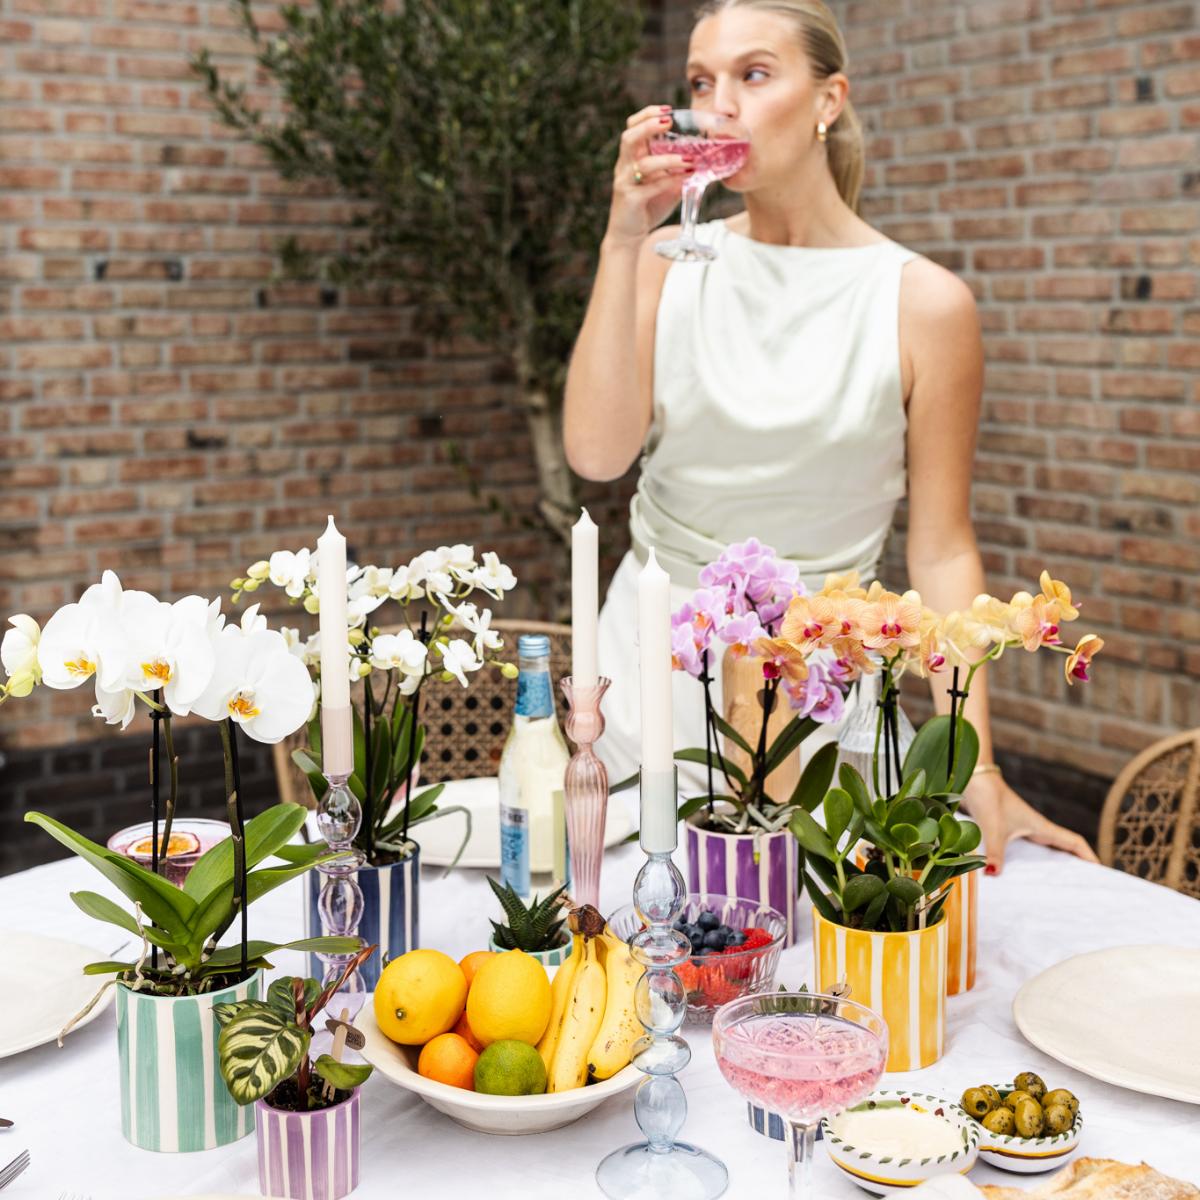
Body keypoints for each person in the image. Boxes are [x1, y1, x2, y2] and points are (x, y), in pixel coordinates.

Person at [562, 0, 1097, 874]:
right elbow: (595, 454)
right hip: (648, 686)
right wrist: (624, 239)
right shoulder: (665, 266)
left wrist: (978, 767)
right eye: (702, 81)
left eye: (755, 74)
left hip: (823, 696)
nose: (719, 103)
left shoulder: (925, 304)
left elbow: (942, 549)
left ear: (829, 100)